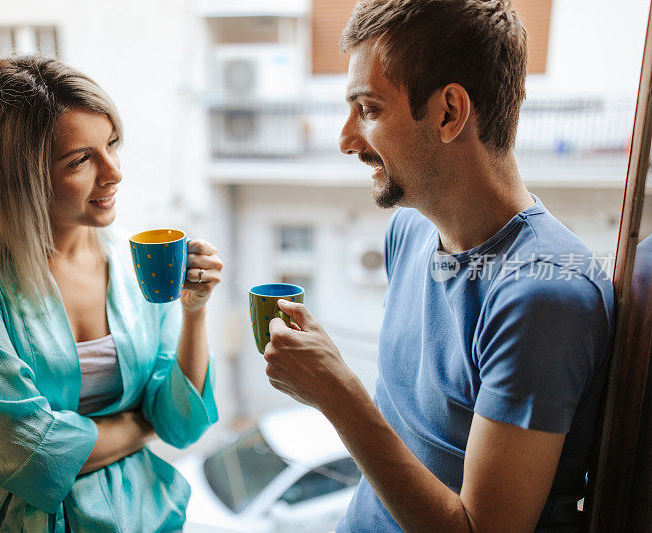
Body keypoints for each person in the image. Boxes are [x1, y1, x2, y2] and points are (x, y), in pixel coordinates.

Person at [262, 1, 614, 531]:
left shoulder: (544, 296)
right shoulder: (409, 232)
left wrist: (337, 394)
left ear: (450, 112)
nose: (346, 139)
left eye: (369, 109)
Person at [0, 56, 222, 532]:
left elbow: (181, 423)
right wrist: (140, 425)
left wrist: (195, 312)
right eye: (81, 160)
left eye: (111, 145)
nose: (114, 172)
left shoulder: (134, 263)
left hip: (141, 515)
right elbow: (27, 455)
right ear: (19, 177)